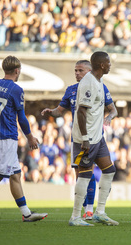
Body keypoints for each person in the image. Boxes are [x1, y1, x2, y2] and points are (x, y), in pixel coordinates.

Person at [0, 56, 48, 222]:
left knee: (15, 174)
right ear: (17, 70)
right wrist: (30, 136)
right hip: (6, 136)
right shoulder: (16, 89)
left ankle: (26, 213)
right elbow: (21, 117)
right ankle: (26, 213)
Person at [41, 60, 96, 220]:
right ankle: (85, 208)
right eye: (75, 70)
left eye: (80, 70)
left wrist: (107, 118)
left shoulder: (97, 86)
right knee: (79, 174)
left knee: (89, 171)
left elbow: (109, 107)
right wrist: (51, 112)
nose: (77, 73)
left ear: (89, 72)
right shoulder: (71, 90)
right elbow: (60, 110)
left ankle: (91, 209)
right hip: (77, 137)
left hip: (93, 136)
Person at [68, 51, 118, 226]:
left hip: (98, 137)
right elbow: (81, 112)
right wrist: (85, 138)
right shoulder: (88, 82)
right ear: (102, 65)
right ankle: (75, 216)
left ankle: (100, 212)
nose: (111, 65)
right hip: (86, 138)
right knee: (85, 175)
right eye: (109, 63)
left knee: (109, 171)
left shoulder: (99, 80)